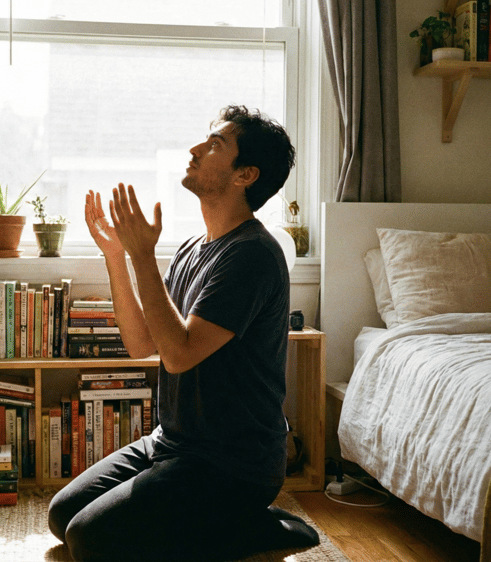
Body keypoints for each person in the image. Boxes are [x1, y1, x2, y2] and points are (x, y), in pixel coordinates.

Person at [48, 105, 319, 561]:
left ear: (245, 174)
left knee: (91, 541)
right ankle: (216, 520)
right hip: (173, 443)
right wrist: (117, 255)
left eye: (215, 144)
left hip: (234, 464)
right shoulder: (194, 249)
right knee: (63, 517)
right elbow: (142, 345)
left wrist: (141, 255)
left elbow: (179, 354)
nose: (195, 149)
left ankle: (257, 525)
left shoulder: (253, 255)